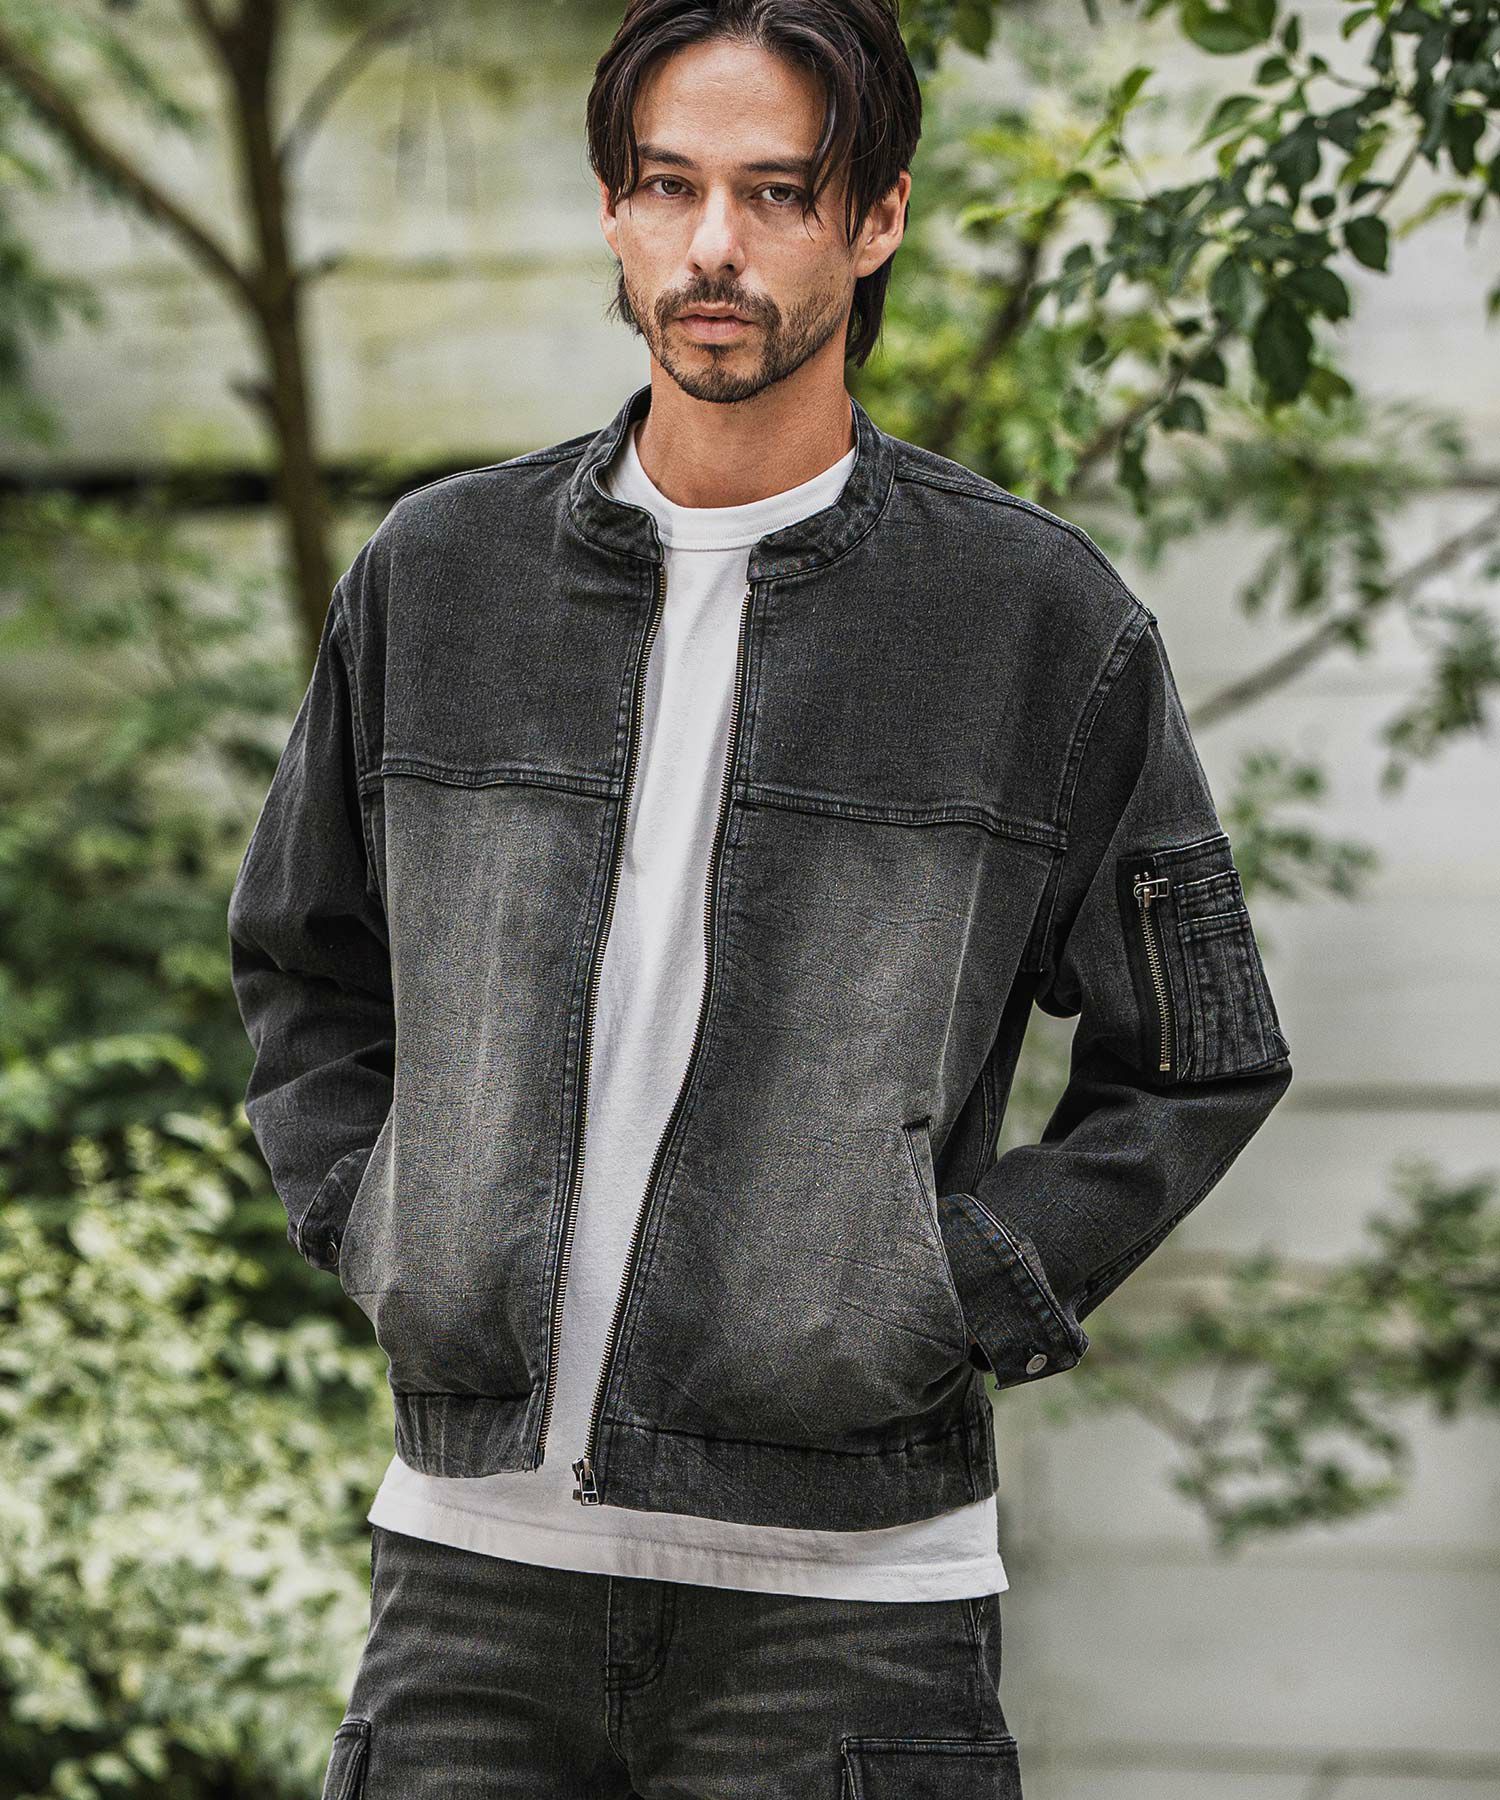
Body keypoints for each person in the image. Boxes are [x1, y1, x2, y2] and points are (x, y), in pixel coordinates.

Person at [226, 2, 1294, 1794]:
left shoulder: (1032, 622)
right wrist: (378, 1217)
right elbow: (299, 968)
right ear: (612, 207)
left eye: (778, 193)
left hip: (851, 1615)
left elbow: (1200, 1057)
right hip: (468, 1594)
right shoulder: (440, 577)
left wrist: (950, 1291)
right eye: (669, 186)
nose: (712, 245)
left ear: (875, 219)